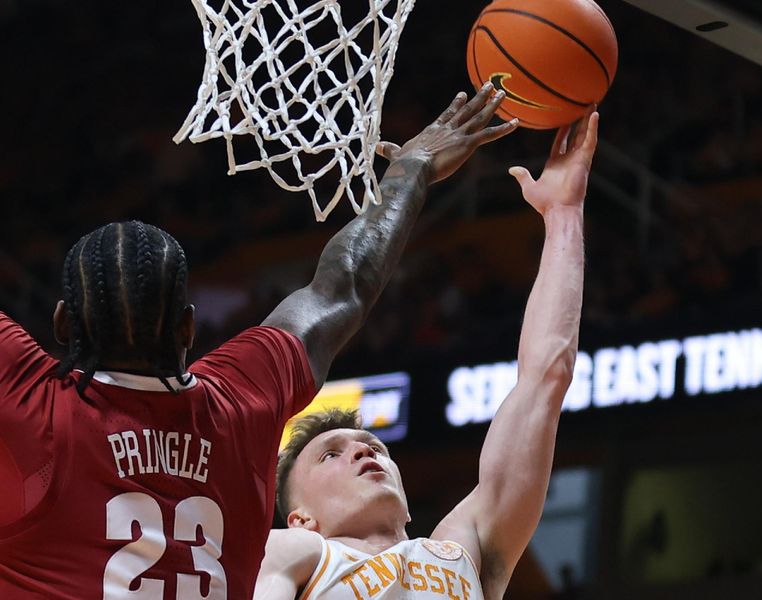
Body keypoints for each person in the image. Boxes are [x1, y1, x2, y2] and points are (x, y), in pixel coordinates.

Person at [0, 85, 516, 599]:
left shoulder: (29, 405)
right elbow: (346, 284)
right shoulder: (242, 401)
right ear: (188, 328)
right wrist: (413, 169)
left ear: (64, 325)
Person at [254, 108, 600, 600]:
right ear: (300, 518)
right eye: (331, 455)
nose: (363, 452)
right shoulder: (297, 552)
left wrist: (564, 214)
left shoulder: (462, 546)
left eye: (372, 446)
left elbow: (545, 379)